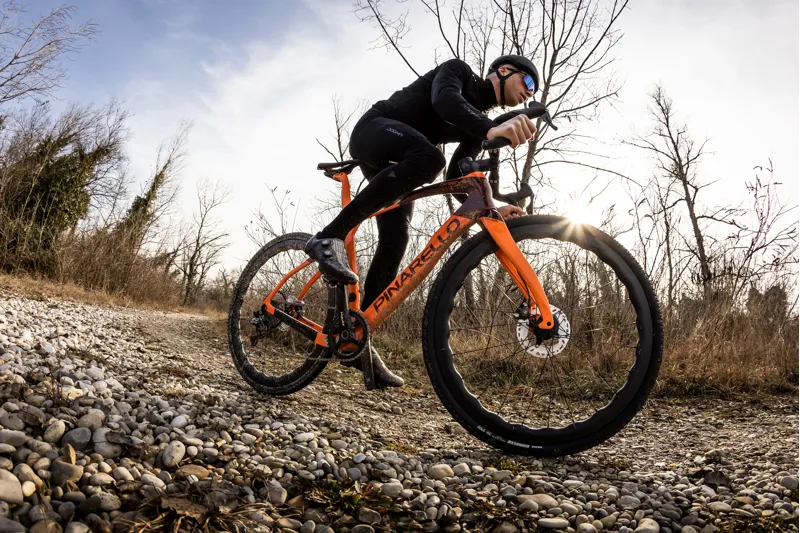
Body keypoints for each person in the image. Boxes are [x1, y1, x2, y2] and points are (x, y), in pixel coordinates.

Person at [306, 54, 540, 388]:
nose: (529, 93)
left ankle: (358, 336)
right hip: (374, 130)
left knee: (397, 234)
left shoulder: (476, 123)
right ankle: (327, 238)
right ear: (503, 72)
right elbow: (444, 100)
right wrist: (490, 127)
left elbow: (462, 176)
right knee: (431, 157)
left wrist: (494, 208)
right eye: (528, 82)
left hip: (401, 158)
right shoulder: (458, 71)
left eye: (533, 90)